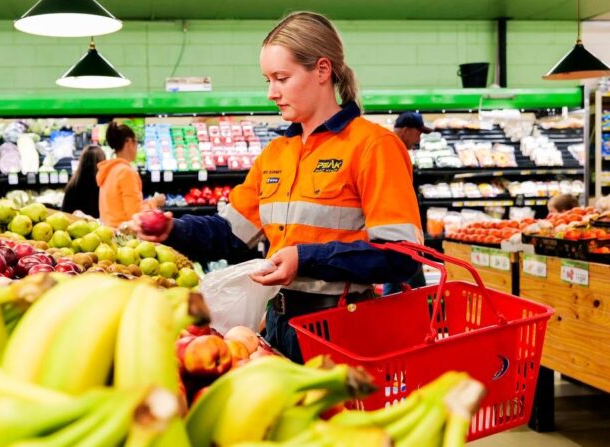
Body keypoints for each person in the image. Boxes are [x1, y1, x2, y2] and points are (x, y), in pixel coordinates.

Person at [131, 11, 423, 363]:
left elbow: (402, 257)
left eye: (281, 78)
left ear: (322, 70)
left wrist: (305, 258)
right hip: (277, 325)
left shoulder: (373, 146)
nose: (271, 92)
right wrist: (171, 228)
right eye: (268, 80)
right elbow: (231, 234)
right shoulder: (276, 154)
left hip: (341, 329)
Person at [382, 112, 433, 295]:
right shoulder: (390, 148)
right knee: (399, 278)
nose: (418, 139)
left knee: (408, 279)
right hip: (397, 228)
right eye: (418, 133)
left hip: (400, 228)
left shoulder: (390, 147)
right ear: (405, 131)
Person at [97, 122, 165, 227]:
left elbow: (121, 206)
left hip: (109, 232)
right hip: (125, 237)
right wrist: (155, 201)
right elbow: (135, 214)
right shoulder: (126, 172)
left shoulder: (109, 170)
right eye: (136, 142)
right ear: (129, 142)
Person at [61, 145, 106, 217]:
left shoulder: (73, 185)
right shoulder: (102, 185)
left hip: (75, 225)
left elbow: (64, 212)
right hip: (99, 226)